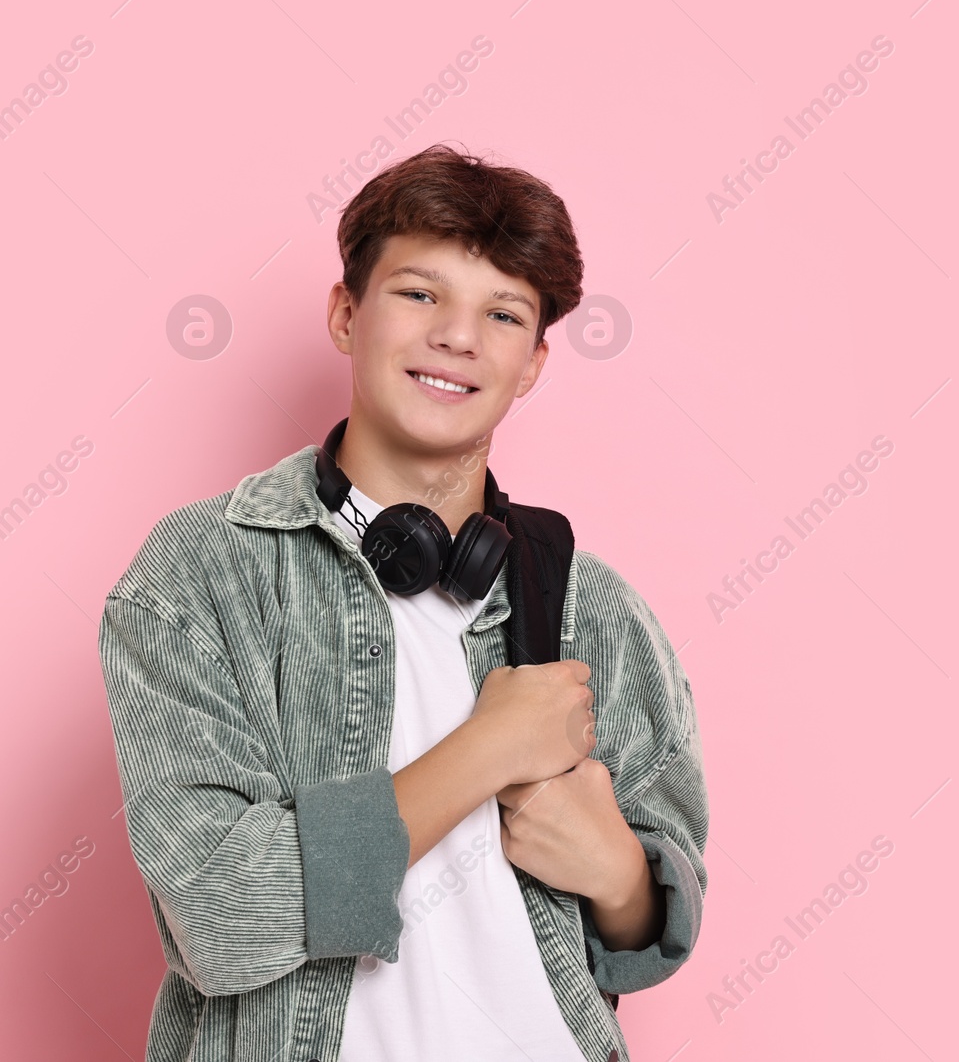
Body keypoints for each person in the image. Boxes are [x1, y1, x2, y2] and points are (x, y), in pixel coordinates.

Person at [97, 143, 708, 1062]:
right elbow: (217, 919)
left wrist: (620, 873)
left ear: (533, 362)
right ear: (347, 314)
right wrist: (487, 750)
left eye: (502, 313)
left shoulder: (592, 604)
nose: (458, 337)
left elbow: (650, 926)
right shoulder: (202, 574)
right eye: (420, 294)